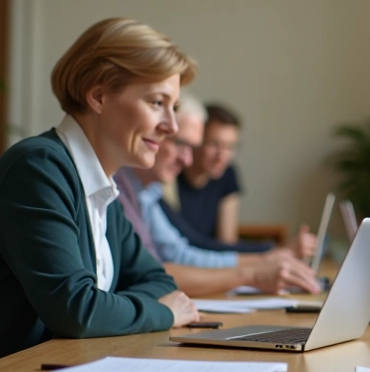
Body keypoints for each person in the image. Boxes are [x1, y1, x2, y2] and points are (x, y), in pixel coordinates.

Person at [0, 17, 201, 372]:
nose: (172, 126)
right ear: (98, 96)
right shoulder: (38, 169)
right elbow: (77, 310)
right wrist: (161, 314)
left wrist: (135, 308)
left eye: (173, 107)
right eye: (157, 102)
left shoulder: (99, 187)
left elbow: (158, 281)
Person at [115, 95, 320, 297]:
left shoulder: (148, 191)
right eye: (180, 143)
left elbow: (182, 253)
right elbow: (160, 267)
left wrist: (265, 261)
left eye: (230, 147)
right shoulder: (131, 188)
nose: (187, 159)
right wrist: (258, 267)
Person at [174, 103, 243, 243]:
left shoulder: (228, 174)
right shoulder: (170, 173)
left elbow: (227, 242)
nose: (221, 156)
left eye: (230, 147)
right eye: (213, 144)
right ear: (196, 140)